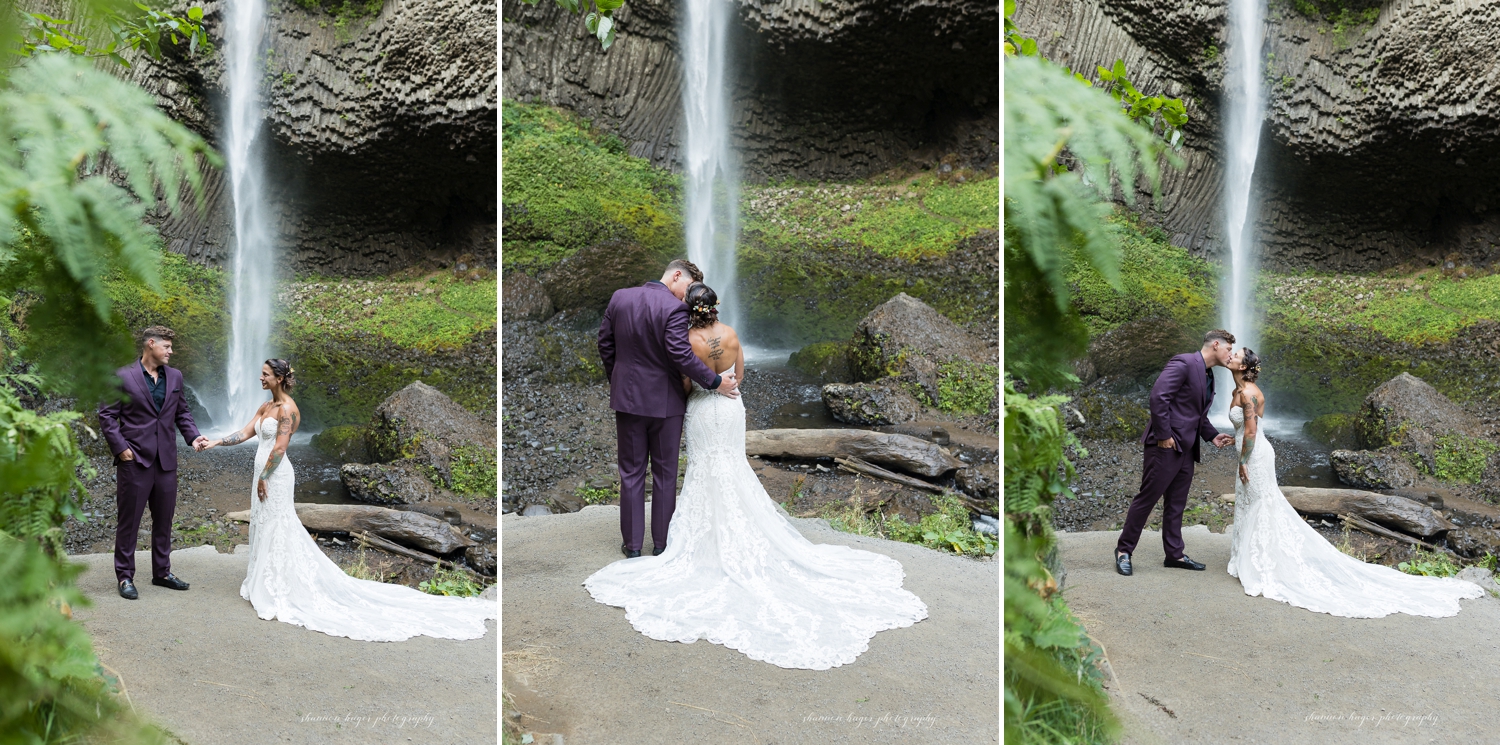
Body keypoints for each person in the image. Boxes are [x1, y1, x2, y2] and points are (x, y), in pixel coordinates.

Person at [584, 282, 928, 670]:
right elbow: (739, 374)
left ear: (689, 310)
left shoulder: (686, 339)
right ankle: (667, 542)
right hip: (731, 410)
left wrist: (699, 387)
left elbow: (684, 379)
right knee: (723, 469)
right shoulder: (730, 336)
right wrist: (723, 384)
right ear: (715, 307)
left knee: (689, 471)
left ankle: (641, 546)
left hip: (698, 410)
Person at [204, 360, 496, 640]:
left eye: (266, 374)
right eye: (261, 373)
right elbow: (245, 432)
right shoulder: (266, 406)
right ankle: (264, 580)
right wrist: (217, 441)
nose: (261, 377)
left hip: (276, 476)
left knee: (278, 526)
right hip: (264, 475)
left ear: (279, 378)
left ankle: (280, 587)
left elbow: (280, 448)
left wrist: (265, 477)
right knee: (264, 524)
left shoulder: (288, 410)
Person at [1225, 348, 1483, 617]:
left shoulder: (1248, 393)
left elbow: (1253, 431)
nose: (1231, 356)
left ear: (1244, 367)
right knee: (1252, 502)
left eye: (1236, 355)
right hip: (1250, 451)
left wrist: (1243, 460)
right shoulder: (1238, 392)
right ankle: (1251, 558)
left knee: (1262, 505)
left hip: (1255, 457)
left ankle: (1264, 564)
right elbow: (1248, 428)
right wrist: (1234, 439)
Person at [596, 259, 740, 559]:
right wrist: (715, 382)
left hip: (629, 400)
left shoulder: (619, 297)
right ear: (676, 275)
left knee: (631, 473)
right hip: (666, 403)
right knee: (665, 474)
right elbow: (680, 355)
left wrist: (620, 380)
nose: (688, 296)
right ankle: (661, 546)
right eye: (688, 287)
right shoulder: (675, 309)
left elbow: (605, 344)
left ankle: (633, 547)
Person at [97, 326, 210, 600]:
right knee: (129, 521)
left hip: (166, 460)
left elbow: (182, 412)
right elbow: (107, 415)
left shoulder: (176, 377)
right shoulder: (123, 376)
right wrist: (121, 448)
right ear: (151, 344)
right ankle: (125, 576)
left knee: (164, 520)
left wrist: (193, 437)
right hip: (134, 460)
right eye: (167, 346)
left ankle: (162, 572)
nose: (171, 351)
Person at [1115, 329, 1237, 576]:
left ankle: (1174, 555)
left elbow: (1195, 413)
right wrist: (1163, 436)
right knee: (1147, 498)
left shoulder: (1207, 373)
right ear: (1216, 345)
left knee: (1177, 503)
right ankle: (1123, 551)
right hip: (1166, 445)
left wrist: (1212, 435)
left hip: (1187, 447)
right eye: (1228, 349)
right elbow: (1158, 397)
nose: (1230, 355)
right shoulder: (1184, 362)